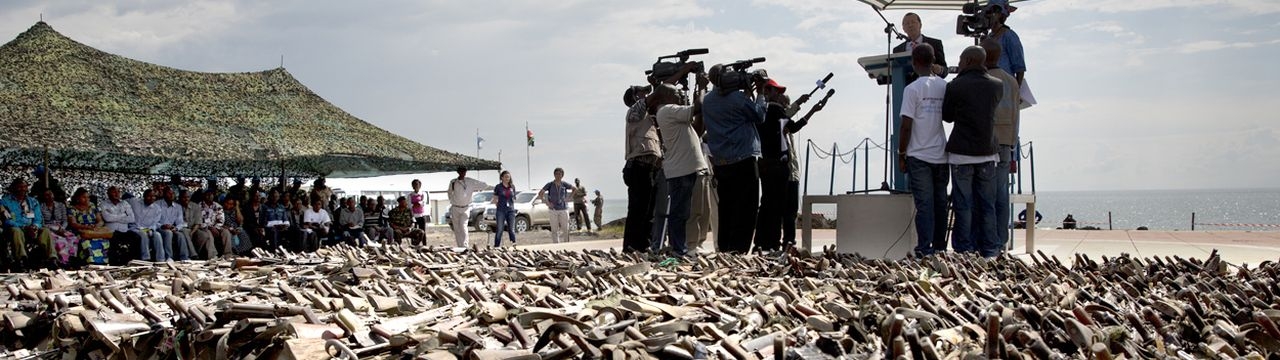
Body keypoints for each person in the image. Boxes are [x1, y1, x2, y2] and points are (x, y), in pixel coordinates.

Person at [943, 46, 1003, 258]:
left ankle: (964, 248)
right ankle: (990, 247)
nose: (958, 64)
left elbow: (948, 116)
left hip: (961, 152)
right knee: (987, 204)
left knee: (963, 203)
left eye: (960, 60)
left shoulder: (955, 86)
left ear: (968, 61)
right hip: (988, 151)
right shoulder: (997, 86)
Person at [703, 64, 766, 253]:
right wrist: (760, 92)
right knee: (746, 208)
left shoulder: (708, 100)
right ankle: (739, 249)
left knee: (727, 208)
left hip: (721, 163)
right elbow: (759, 115)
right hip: (744, 160)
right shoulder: (738, 99)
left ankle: (724, 247)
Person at [897, 43, 952, 258]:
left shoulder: (911, 89)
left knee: (924, 204)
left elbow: (906, 125)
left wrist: (902, 154)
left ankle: (924, 249)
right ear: (933, 62)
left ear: (914, 62)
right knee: (940, 203)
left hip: (918, 155)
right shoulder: (944, 86)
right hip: (941, 153)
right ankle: (939, 248)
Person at [653, 79, 709, 257]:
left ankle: (681, 247)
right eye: (676, 93)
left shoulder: (673, 114)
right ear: (667, 96)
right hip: (682, 169)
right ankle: (679, 248)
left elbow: (697, 126)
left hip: (684, 168)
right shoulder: (668, 110)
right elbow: (697, 107)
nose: (680, 95)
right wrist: (701, 87)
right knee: (680, 212)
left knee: (683, 211)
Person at [982, 38, 1023, 249]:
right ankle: (1001, 240)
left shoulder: (984, 78)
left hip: (986, 141)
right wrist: (1014, 145)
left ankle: (989, 240)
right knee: (1002, 193)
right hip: (1007, 141)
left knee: (986, 194)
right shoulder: (1012, 81)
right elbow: (1017, 117)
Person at [622, 84, 662, 253]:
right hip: (639, 167)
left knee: (648, 211)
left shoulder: (649, 118)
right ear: (635, 98)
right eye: (642, 92)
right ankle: (633, 247)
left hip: (649, 169)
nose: (647, 94)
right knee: (639, 211)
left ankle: (642, 246)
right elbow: (653, 97)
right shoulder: (634, 111)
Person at [2, 178, 52, 271]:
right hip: (16, 229)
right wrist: (24, 227)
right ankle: (21, 260)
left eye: (24, 187)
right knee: (16, 231)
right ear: (13, 188)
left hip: (31, 229)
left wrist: (35, 227)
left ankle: (52, 260)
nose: (22, 189)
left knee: (45, 231)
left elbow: (38, 218)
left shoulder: (33, 202)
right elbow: (6, 220)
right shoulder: (5, 201)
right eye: (20, 187)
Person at [893, 12, 948, 83]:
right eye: (907, 23)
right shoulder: (897, 50)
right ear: (903, 28)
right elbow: (893, 74)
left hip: (930, 86)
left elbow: (945, 70)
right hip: (907, 90)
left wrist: (940, 69)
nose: (910, 25)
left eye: (913, 22)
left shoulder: (935, 43)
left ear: (920, 25)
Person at [67, 188, 112, 265]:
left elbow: (100, 221)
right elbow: (73, 223)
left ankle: (103, 263)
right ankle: (90, 262)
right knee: (86, 243)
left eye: (88, 197)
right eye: (84, 197)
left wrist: (96, 226)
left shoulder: (92, 206)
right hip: (81, 230)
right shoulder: (72, 209)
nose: (87, 199)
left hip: (94, 230)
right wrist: (87, 227)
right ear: (78, 198)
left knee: (104, 241)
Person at [447, 166, 489, 248]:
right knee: (457, 228)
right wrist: (452, 200)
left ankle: (465, 245)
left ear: (466, 172)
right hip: (455, 207)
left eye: (464, 171)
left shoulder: (470, 181)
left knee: (463, 226)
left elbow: (484, 185)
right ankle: (460, 246)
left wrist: (476, 186)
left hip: (465, 208)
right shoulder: (453, 182)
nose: (462, 173)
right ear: (458, 172)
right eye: (461, 171)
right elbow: (449, 192)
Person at [100, 186, 143, 264]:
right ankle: (116, 263)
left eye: (118, 192)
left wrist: (114, 216)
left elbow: (131, 218)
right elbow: (107, 218)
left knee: (137, 238)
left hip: (124, 231)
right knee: (115, 243)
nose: (117, 194)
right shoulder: (104, 204)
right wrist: (123, 215)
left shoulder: (125, 203)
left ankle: (134, 261)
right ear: (108, 194)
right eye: (114, 192)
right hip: (111, 232)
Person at [987, 0, 1025, 85]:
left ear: (1001, 15)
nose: (990, 15)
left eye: (995, 11)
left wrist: (1016, 90)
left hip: (1006, 87)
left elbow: (1019, 67)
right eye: (988, 11)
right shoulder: (988, 37)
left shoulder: (1009, 35)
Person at [39, 189, 80, 267]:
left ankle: (71, 260)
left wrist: (62, 228)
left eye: (50, 194)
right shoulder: (41, 207)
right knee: (59, 241)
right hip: (48, 228)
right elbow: (42, 222)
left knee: (73, 238)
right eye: (46, 195)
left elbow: (65, 220)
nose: (49, 197)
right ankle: (61, 261)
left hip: (61, 227)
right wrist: (55, 229)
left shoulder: (61, 205)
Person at [537, 168, 575, 244]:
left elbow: (575, 189)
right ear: (554, 175)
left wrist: (569, 198)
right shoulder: (550, 184)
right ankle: (556, 246)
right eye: (556, 174)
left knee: (566, 228)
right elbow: (540, 193)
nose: (558, 175)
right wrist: (546, 202)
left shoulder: (564, 184)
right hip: (553, 210)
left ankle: (567, 244)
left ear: (562, 175)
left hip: (563, 209)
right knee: (554, 229)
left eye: (560, 174)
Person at [128, 189, 168, 261]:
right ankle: (146, 258)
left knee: (158, 235)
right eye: (149, 196)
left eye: (153, 196)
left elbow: (156, 222)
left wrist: (151, 229)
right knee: (143, 234)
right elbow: (125, 198)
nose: (151, 198)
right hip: (135, 228)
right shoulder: (135, 203)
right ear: (144, 196)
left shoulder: (157, 208)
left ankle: (161, 259)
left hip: (149, 228)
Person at [158, 188, 193, 261]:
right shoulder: (157, 204)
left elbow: (180, 222)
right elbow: (153, 221)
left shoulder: (178, 207)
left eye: (173, 193)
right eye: (169, 193)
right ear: (164, 194)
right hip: (160, 227)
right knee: (168, 233)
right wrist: (162, 226)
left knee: (180, 235)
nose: (171, 195)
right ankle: (169, 257)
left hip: (171, 228)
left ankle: (184, 257)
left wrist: (176, 228)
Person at [492, 171, 518, 247]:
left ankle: (513, 245)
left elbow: (514, 198)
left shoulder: (512, 187)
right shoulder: (498, 187)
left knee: (511, 229)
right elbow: (495, 198)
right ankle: (496, 246)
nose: (507, 178)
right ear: (502, 177)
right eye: (506, 177)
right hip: (501, 210)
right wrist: (498, 205)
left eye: (508, 177)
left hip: (510, 210)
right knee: (500, 229)